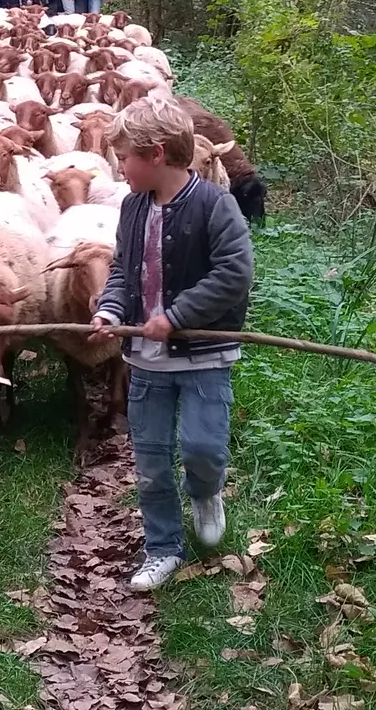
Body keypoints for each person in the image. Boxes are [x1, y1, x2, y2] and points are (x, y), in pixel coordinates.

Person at [89, 98, 254, 590]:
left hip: (204, 352)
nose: (119, 166)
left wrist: (177, 316)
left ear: (156, 154)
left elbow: (235, 273)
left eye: (124, 157)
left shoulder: (214, 204)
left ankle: (205, 492)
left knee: (202, 448)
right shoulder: (132, 207)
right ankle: (162, 548)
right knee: (151, 461)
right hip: (146, 360)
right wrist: (111, 309)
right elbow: (123, 270)